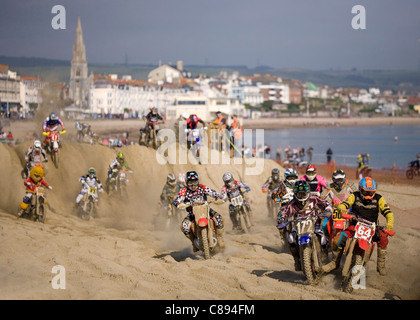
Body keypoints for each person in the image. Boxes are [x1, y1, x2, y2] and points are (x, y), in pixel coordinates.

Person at [321, 177, 394, 276]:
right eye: (365, 192)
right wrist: (343, 211)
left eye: (370, 192)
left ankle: (381, 264)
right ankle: (335, 262)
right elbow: (343, 205)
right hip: (355, 225)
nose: (368, 195)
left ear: (374, 191)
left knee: (384, 237)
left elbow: (389, 213)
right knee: (338, 238)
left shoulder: (379, 198)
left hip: (372, 227)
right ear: (360, 189)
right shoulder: (354, 196)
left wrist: (389, 225)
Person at [278, 180, 333, 271]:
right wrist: (281, 220)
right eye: (299, 194)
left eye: (304, 194)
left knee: (323, 239)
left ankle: (325, 256)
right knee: (291, 239)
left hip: (315, 224)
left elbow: (326, 204)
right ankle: (296, 259)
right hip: (298, 227)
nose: (302, 196)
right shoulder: (292, 204)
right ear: (295, 194)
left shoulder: (314, 198)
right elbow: (284, 213)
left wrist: (327, 210)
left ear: (308, 192)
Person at [172, 171, 226, 251]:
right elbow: (177, 200)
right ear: (186, 182)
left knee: (219, 218)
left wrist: (218, 197)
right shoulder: (184, 191)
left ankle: (220, 239)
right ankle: (193, 243)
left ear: (198, 181)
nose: (193, 184)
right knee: (184, 226)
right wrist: (178, 204)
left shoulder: (202, 187)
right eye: (190, 182)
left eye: (194, 182)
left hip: (206, 210)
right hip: (192, 213)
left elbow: (213, 192)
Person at [321, 169, 358, 266]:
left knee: (355, 227)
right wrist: (325, 204)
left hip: (348, 212)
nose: (339, 182)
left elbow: (358, 195)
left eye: (341, 179)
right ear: (333, 180)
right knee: (324, 225)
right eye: (337, 180)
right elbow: (322, 197)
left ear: (344, 178)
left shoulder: (350, 186)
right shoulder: (329, 187)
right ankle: (326, 247)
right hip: (334, 211)